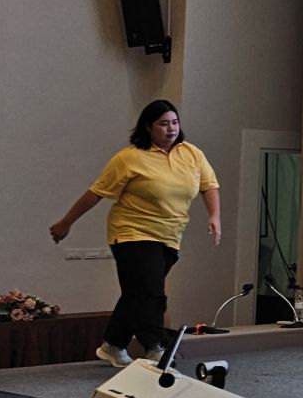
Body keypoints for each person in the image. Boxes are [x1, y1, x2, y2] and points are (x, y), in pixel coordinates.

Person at [49, 100, 220, 368]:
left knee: (137, 292)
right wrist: (66, 222)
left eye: (174, 123)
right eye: (163, 124)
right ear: (148, 127)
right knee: (151, 292)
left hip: (170, 234)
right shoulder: (129, 157)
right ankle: (154, 347)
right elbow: (96, 192)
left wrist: (214, 216)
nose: (171, 129)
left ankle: (113, 345)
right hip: (132, 232)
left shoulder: (192, 153)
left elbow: (209, 186)